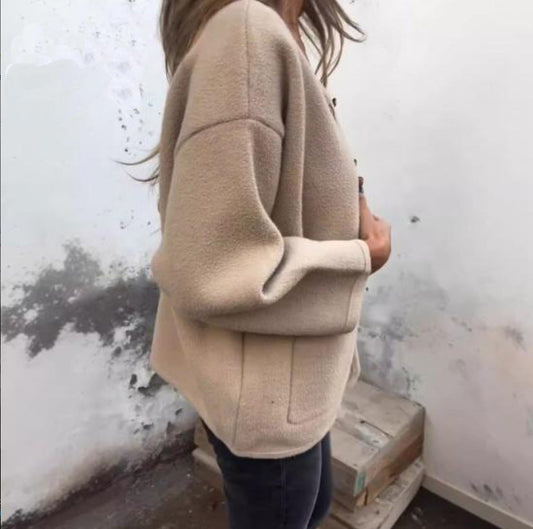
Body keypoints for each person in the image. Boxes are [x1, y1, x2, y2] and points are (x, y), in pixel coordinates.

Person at [142, 1, 391, 527]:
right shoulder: (247, 33)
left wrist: (356, 200)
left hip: (292, 377)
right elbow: (212, 267)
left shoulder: (274, 30)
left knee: (313, 505)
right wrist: (361, 257)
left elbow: (297, 175)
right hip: (265, 386)